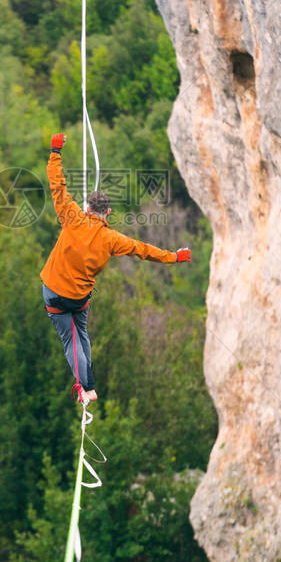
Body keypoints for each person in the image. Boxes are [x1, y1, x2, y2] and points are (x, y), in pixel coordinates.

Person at [41, 132, 192, 403]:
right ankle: (89, 386)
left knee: (70, 339)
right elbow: (144, 250)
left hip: (54, 292)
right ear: (107, 213)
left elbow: (57, 185)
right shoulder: (112, 239)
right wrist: (174, 257)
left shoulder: (73, 217)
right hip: (78, 298)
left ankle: (82, 388)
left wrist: (55, 152)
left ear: (88, 208)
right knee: (80, 334)